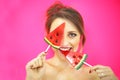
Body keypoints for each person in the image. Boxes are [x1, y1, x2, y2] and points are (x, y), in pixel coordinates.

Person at [26, 2, 118, 80]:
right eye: (57, 35)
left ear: (80, 38)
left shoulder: (93, 75)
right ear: (48, 36)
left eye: (72, 35)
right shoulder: (37, 71)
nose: (64, 43)